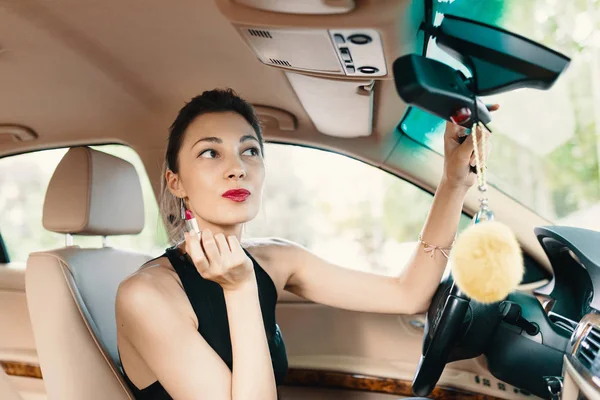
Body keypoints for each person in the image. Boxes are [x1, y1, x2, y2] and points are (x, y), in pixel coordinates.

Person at [116, 89, 497, 400]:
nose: (238, 167)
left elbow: (407, 294)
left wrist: (453, 182)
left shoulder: (277, 259)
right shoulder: (146, 296)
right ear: (175, 181)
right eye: (210, 152)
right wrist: (240, 287)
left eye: (250, 150)